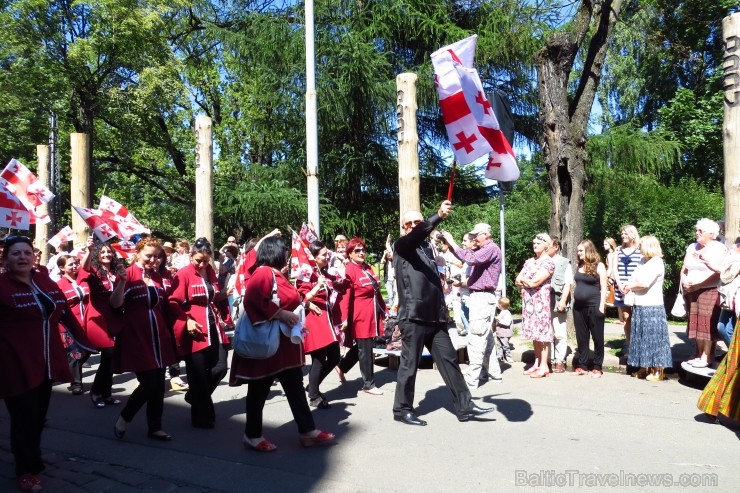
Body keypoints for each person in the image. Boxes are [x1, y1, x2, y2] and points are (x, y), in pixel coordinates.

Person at [0, 236, 93, 492]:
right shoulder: (1, 285)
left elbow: (62, 310)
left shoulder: (43, 280)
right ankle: (25, 471)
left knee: (38, 416)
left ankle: (33, 457)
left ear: (33, 257)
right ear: (6, 259)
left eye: (26, 253)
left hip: (47, 361)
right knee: (24, 418)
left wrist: (84, 343)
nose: (22, 257)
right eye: (15, 253)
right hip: (14, 362)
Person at [229, 236, 335, 451]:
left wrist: (293, 320)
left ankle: (307, 431)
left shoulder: (278, 274)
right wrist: (280, 314)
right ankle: (252, 435)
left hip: (284, 347)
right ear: (275, 252)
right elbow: (253, 301)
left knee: (295, 389)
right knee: (259, 391)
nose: (288, 255)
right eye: (284, 251)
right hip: (270, 347)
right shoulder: (264, 272)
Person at [392, 200, 493, 426]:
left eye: (418, 221)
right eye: (410, 223)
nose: (414, 225)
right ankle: (402, 409)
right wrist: (437, 215)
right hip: (413, 316)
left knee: (449, 361)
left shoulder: (428, 250)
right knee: (409, 365)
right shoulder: (402, 245)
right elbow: (416, 235)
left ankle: (465, 405)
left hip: (435, 317)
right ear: (404, 228)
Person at [112, 237, 177, 441]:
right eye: (149, 256)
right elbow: (115, 304)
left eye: (158, 256)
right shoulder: (128, 274)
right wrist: (122, 282)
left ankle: (155, 427)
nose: (154, 260)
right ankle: (125, 417)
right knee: (149, 383)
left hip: (158, 336)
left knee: (159, 385)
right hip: (137, 335)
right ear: (138, 253)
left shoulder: (157, 277)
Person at [169, 238, 229, 428]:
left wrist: (225, 293)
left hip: (213, 325)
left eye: (205, 260)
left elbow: (213, 295)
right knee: (198, 375)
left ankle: (194, 396)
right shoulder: (184, 273)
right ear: (190, 256)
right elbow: (172, 301)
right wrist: (186, 320)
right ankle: (201, 415)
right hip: (194, 327)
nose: (202, 264)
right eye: (198, 260)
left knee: (220, 367)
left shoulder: (211, 272)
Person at [442, 223, 504, 388]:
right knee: (486, 338)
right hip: (480, 297)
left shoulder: (490, 248)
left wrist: (452, 242)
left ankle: (471, 379)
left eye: (477, 235)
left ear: (486, 234)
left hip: (483, 298)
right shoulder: (484, 250)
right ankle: (493, 373)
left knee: (476, 337)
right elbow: (467, 256)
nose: (474, 238)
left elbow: (470, 258)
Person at [296, 240, 347, 409]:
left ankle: (313, 385)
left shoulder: (322, 270)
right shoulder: (306, 273)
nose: (326, 257)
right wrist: (317, 286)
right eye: (324, 255)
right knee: (318, 359)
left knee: (334, 357)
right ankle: (313, 395)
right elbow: (301, 297)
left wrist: (339, 260)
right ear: (314, 257)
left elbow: (339, 281)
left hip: (326, 319)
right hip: (314, 319)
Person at [77, 238, 125, 408]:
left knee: (111, 358)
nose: (106, 254)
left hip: (115, 316)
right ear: (98, 255)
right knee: (109, 353)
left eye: (109, 251)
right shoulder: (94, 271)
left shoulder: (118, 272)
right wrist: (89, 250)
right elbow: (84, 268)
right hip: (97, 318)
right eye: (102, 252)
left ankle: (107, 393)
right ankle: (96, 391)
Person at [336, 237, 386, 394]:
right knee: (366, 348)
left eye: (363, 249)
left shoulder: (367, 267)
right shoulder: (350, 269)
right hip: (359, 315)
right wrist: (344, 318)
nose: (361, 252)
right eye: (357, 250)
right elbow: (345, 296)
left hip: (371, 313)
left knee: (363, 346)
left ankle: (341, 366)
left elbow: (376, 291)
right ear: (350, 253)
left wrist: (384, 309)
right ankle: (368, 384)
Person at [623, 236, 673, 381]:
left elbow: (644, 283)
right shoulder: (643, 261)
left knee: (654, 338)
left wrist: (629, 286)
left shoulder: (657, 262)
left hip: (652, 305)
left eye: (641, 246)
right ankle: (644, 367)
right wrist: (631, 284)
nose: (639, 249)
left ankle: (658, 370)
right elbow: (634, 277)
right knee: (641, 337)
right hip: (639, 303)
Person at [681, 219, 726, 368]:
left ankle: (707, 356)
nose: (697, 232)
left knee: (706, 324)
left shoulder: (718, 248)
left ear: (711, 234)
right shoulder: (692, 246)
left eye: (700, 230)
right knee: (694, 322)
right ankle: (698, 353)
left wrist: (699, 284)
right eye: (696, 230)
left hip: (709, 290)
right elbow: (685, 268)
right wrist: (684, 281)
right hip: (691, 290)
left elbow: (718, 273)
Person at [515, 233, 555, 379]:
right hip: (529, 303)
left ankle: (544, 366)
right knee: (534, 332)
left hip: (541, 303)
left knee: (542, 333)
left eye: (538, 243)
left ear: (546, 245)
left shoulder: (548, 262)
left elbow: (535, 282)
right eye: (534, 243)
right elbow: (517, 280)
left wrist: (526, 280)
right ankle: (537, 362)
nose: (535, 245)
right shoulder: (529, 261)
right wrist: (528, 281)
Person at [572, 240, 608, 378]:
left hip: (594, 306)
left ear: (589, 250)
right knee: (582, 337)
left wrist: (601, 307)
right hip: (578, 307)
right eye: (578, 251)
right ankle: (582, 365)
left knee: (597, 337)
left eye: (581, 250)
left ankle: (597, 366)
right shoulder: (578, 265)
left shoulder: (599, 266)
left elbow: (604, 288)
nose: (578, 253)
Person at [56, 254, 91, 395]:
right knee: (75, 353)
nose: (75, 266)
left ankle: (66, 367)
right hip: (68, 325)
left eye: (76, 263)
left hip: (86, 323)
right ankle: (76, 384)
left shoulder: (83, 281)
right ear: (61, 267)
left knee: (88, 350)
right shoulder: (59, 284)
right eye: (70, 264)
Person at [613, 225, 642, 357]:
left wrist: (631, 285)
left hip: (635, 288)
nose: (623, 236)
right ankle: (629, 346)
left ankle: (639, 345)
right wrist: (619, 285)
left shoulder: (640, 251)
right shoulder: (618, 250)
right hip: (621, 289)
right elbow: (615, 269)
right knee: (626, 317)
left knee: (638, 317)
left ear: (633, 235)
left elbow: (641, 269)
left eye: (626, 233)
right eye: (622, 233)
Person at [548, 237, 573, 373]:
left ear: (556, 247)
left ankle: (559, 360)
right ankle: (549, 359)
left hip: (558, 301)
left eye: (548, 246)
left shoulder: (564, 263)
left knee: (559, 332)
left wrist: (563, 301)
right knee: (547, 332)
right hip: (544, 302)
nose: (546, 249)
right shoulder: (542, 261)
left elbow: (568, 283)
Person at [495, 297, 514, 363]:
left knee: (505, 346)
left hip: (505, 333)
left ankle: (508, 357)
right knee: (499, 345)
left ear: (500, 305)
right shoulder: (502, 312)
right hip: (500, 333)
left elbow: (507, 323)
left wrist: (499, 319)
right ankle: (499, 356)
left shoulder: (507, 313)